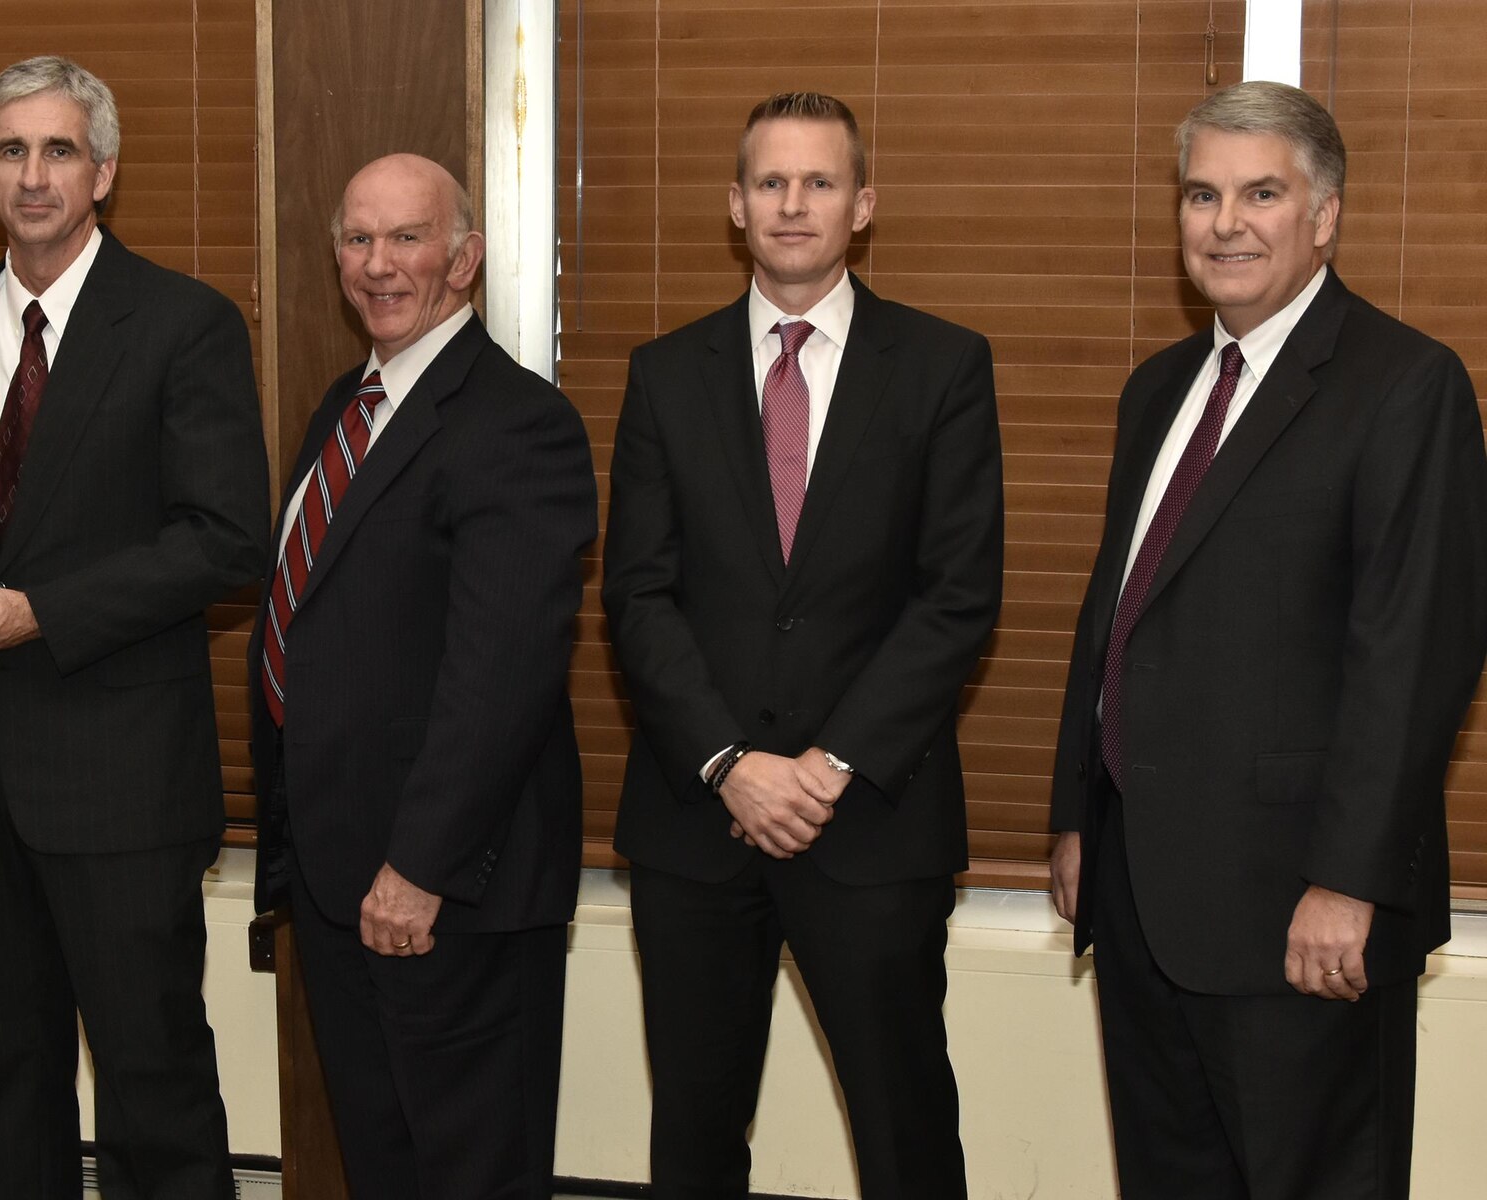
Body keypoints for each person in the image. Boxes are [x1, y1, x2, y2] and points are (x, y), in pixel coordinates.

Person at [1047, 80, 1487, 1200]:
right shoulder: (1157, 391)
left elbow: (1413, 654)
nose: (1224, 222)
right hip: (1142, 900)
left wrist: (1347, 882)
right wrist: (1072, 817)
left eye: (1259, 193)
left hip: (1298, 915)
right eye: (1201, 195)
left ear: (1323, 215)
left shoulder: (1403, 385)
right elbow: (1115, 616)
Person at [0, 56, 270, 1199]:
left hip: (120, 779)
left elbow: (224, 538)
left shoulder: (184, 323)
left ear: (103, 171)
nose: (33, 175)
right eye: (10, 151)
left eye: (57, 151)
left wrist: (46, 612)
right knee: (1, 1087)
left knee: (153, 1091)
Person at [602, 93, 1002, 1198]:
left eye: (818, 182)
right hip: (697, 821)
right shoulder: (663, 373)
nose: (792, 203)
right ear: (733, 207)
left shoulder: (940, 366)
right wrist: (731, 764)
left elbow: (956, 596)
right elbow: (635, 597)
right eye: (769, 182)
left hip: (869, 817)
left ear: (861, 205)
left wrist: (825, 766)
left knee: (904, 1129)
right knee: (691, 1133)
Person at [247, 153, 597, 1200]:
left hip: (447, 894)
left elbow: (500, 674)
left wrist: (420, 868)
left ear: (464, 258)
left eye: (406, 238)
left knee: (470, 1176)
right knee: (383, 1168)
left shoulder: (516, 423)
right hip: (340, 882)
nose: (377, 264)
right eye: (357, 239)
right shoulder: (341, 411)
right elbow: (311, 634)